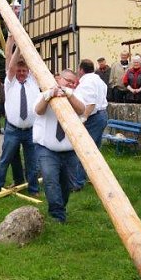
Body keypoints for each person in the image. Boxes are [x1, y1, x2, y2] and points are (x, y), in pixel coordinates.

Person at [33, 69, 86, 223]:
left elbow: (81, 109)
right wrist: (48, 96)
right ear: (58, 79)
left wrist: (69, 94)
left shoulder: (75, 95)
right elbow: (38, 110)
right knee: (50, 179)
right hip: (47, 149)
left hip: (69, 150)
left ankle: (60, 207)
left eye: (73, 82)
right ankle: (57, 215)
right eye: (67, 80)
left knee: (67, 183)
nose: (70, 83)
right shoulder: (44, 93)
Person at [0, 36, 41, 197]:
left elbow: (34, 62)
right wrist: (16, 46)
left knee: (32, 162)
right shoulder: (10, 82)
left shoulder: (33, 81)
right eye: (19, 71)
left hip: (31, 130)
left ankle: (33, 190)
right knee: (5, 159)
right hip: (13, 129)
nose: (21, 73)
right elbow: (10, 65)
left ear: (28, 72)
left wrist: (24, 43)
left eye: (23, 71)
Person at [74, 58, 109, 190]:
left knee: (85, 150)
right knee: (95, 151)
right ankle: (97, 178)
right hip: (101, 115)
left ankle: (78, 182)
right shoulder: (97, 79)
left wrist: (83, 119)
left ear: (81, 69)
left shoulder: (87, 81)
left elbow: (91, 103)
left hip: (93, 118)